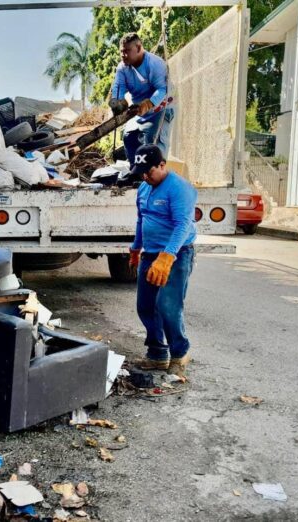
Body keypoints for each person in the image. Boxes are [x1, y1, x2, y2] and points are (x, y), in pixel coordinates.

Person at [128, 144, 197, 378]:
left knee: (168, 305)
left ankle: (180, 353)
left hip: (176, 254)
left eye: (150, 171)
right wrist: (136, 248)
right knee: (145, 306)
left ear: (162, 165)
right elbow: (141, 220)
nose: (146, 176)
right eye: (142, 172)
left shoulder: (179, 189)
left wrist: (167, 256)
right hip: (150, 254)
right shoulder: (143, 188)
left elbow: (182, 225)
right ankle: (157, 354)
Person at [109, 33, 174, 168]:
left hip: (159, 108)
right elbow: (118, 88)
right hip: (138, 112)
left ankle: (156, 174)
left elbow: (162, 89)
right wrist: (117, 103)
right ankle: (137, 172)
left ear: (138, 48)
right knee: (128, 137)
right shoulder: (122, 68)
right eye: (121, 51)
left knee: (152, 142)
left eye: (127, 51)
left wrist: (149, 103)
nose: (123, 55)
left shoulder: (155, 64)